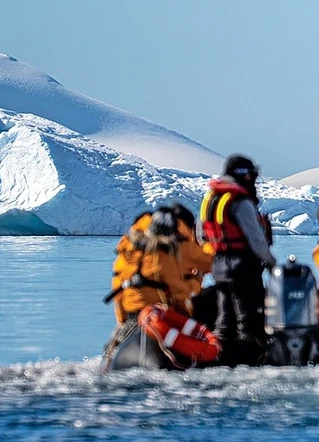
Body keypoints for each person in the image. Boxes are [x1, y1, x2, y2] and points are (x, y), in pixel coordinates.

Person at [198, 154, 277, 365]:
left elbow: (201, 235)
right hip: (243, 267)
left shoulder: (211, 199)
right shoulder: (240, 201)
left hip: (219, 266)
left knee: (224, 318)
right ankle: (249, 359)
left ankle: (217, 354)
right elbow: (256, 239)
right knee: (247, 318)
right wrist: (271, 263)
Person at [103, 209, 192, 357]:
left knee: (113, 350)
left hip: (131, 321)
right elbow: (179, 293)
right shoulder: (164, 258)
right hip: (158, 320)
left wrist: (121, 322)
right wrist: (187, 319)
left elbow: (118, 296)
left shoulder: (126, 255)